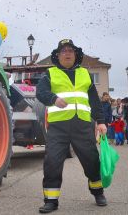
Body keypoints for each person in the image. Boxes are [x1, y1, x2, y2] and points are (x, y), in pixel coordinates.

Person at [35, 39, 107, 213]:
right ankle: (51, 200)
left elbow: (94, 101)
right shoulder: (49, 74)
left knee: (91, 161)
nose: (67, 53)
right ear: (58, 55)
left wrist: (101, 122)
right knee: (52, 162)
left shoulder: (85, 74)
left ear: (75, 55)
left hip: (82, 125)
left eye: (70, 51)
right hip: (58, 127)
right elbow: (40, 92)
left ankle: (98, 192)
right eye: (63, 51)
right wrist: (53, 99)